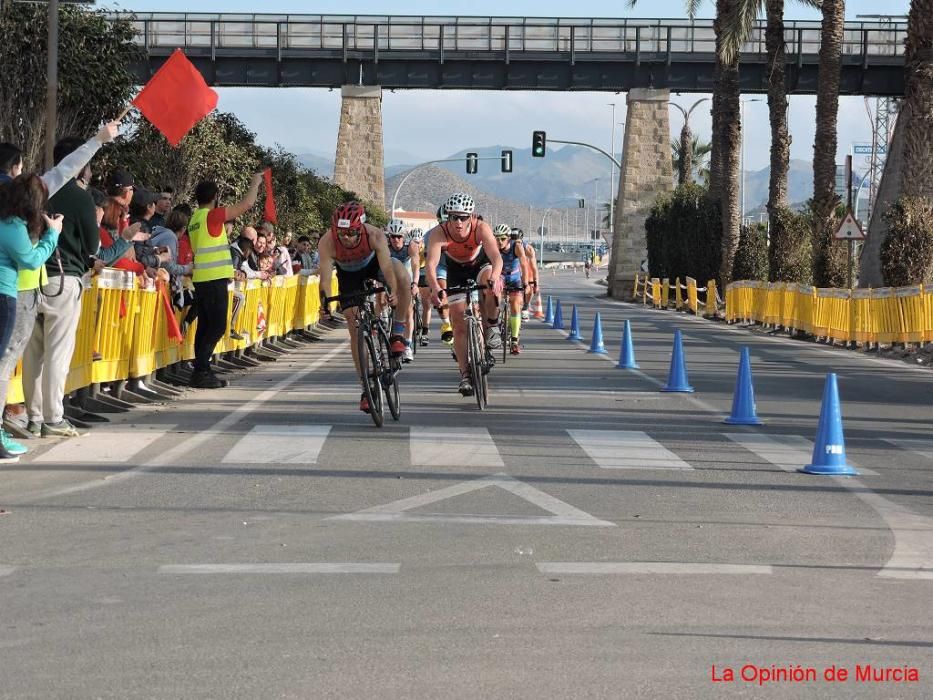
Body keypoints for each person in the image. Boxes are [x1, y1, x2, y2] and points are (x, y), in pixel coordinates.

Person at [22, 133, 125, 438]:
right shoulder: (80, 197)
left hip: (33, 277)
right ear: (80, 164)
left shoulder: (36, 189)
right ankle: (54, 417)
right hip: (65, 280)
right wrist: (94, 221)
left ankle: (33, 417)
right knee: (58, 352)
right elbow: (92, 246)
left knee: (33, 354)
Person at [317, 201, 412, 413]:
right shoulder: (327, 242)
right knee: (354, 324)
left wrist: (392, 291)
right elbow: (324, 278)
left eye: (351, 232)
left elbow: (387, 268)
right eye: (341, 233)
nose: (346, 237)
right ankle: (366, 387)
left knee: (402, 277)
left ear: (360, 227)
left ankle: (397, 333)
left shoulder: (375, 235)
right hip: (348, 274)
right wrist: (324, 303)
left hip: (373, 264)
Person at [0, 177, 63, 460]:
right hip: (5, 295)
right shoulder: (11, 225)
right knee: (4, 363)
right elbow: (31, 260)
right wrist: (53, 235)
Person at [187, 173, 263, 389]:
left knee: (205, 327)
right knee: (218, 326)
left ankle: (201, 369)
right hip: (213, 280)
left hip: (202, 279)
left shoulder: (194, 219)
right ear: (215, 198)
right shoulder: (212, 216)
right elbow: (246, 204)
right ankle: (201, 369)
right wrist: (255, 182)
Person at [425, 192, 503, 397]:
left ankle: (493, 325)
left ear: (471, 217)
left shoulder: (481, 228)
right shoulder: (438, 233)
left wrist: (495, 278)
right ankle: (465, 374)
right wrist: (435, 287)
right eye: (454, 217)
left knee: (490, 283)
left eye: (463, 217)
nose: (458, 222)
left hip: (480, 265)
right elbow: (431, 265)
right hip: (456, 271)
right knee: (458, 323)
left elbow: (496, 258)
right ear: (448, 217)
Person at [385, 219, 419, 362]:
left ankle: (407, 345)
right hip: (391, 276)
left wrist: (415, 283)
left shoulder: (410, 245)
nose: (396, 240)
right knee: (381, 300)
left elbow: (416, 265)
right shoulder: (385, 247)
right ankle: (382, 329)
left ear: (403, 237)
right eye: (393, 236)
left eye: (399, 236)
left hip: (407, 276)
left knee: (408, 310)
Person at [493, 223, 528, 355]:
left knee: (515, 303)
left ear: (509, 238)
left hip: (514, 278)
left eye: (502, 239)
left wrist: (526, 283)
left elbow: (524, 265)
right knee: (494, 296)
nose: (499, 242)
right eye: (496, 238)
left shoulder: (517, 246)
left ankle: (514, 340)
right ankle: (494, 324)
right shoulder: (493, 248)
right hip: (500, 276)